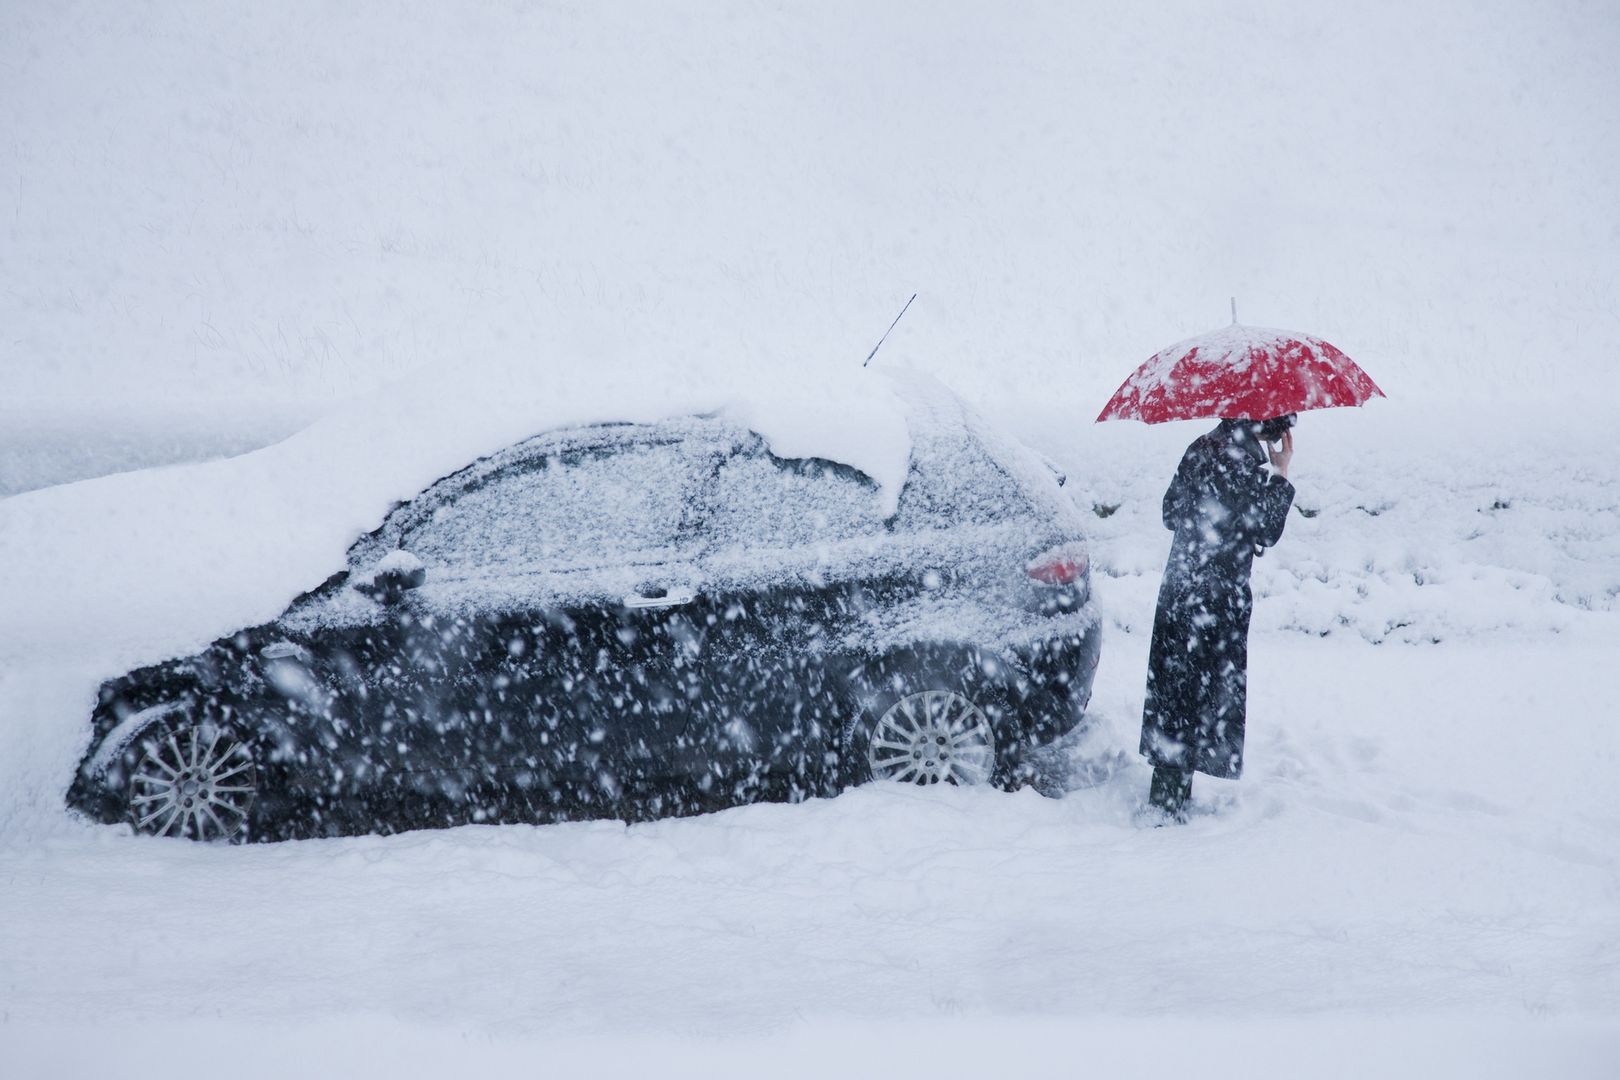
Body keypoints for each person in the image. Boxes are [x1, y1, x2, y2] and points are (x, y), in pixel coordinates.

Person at [1139, 413, 1296, 822]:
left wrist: (1206, 524)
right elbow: (1264, 530)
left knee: (1177, 692)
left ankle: (1169, 792)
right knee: (1201, 695)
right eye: (1278, 423)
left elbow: (1171, 512)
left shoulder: (1202, 446)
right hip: (1217, 598)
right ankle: (1168, 806)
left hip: (1180, 589)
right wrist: (1279, 475)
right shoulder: (1242, 462)